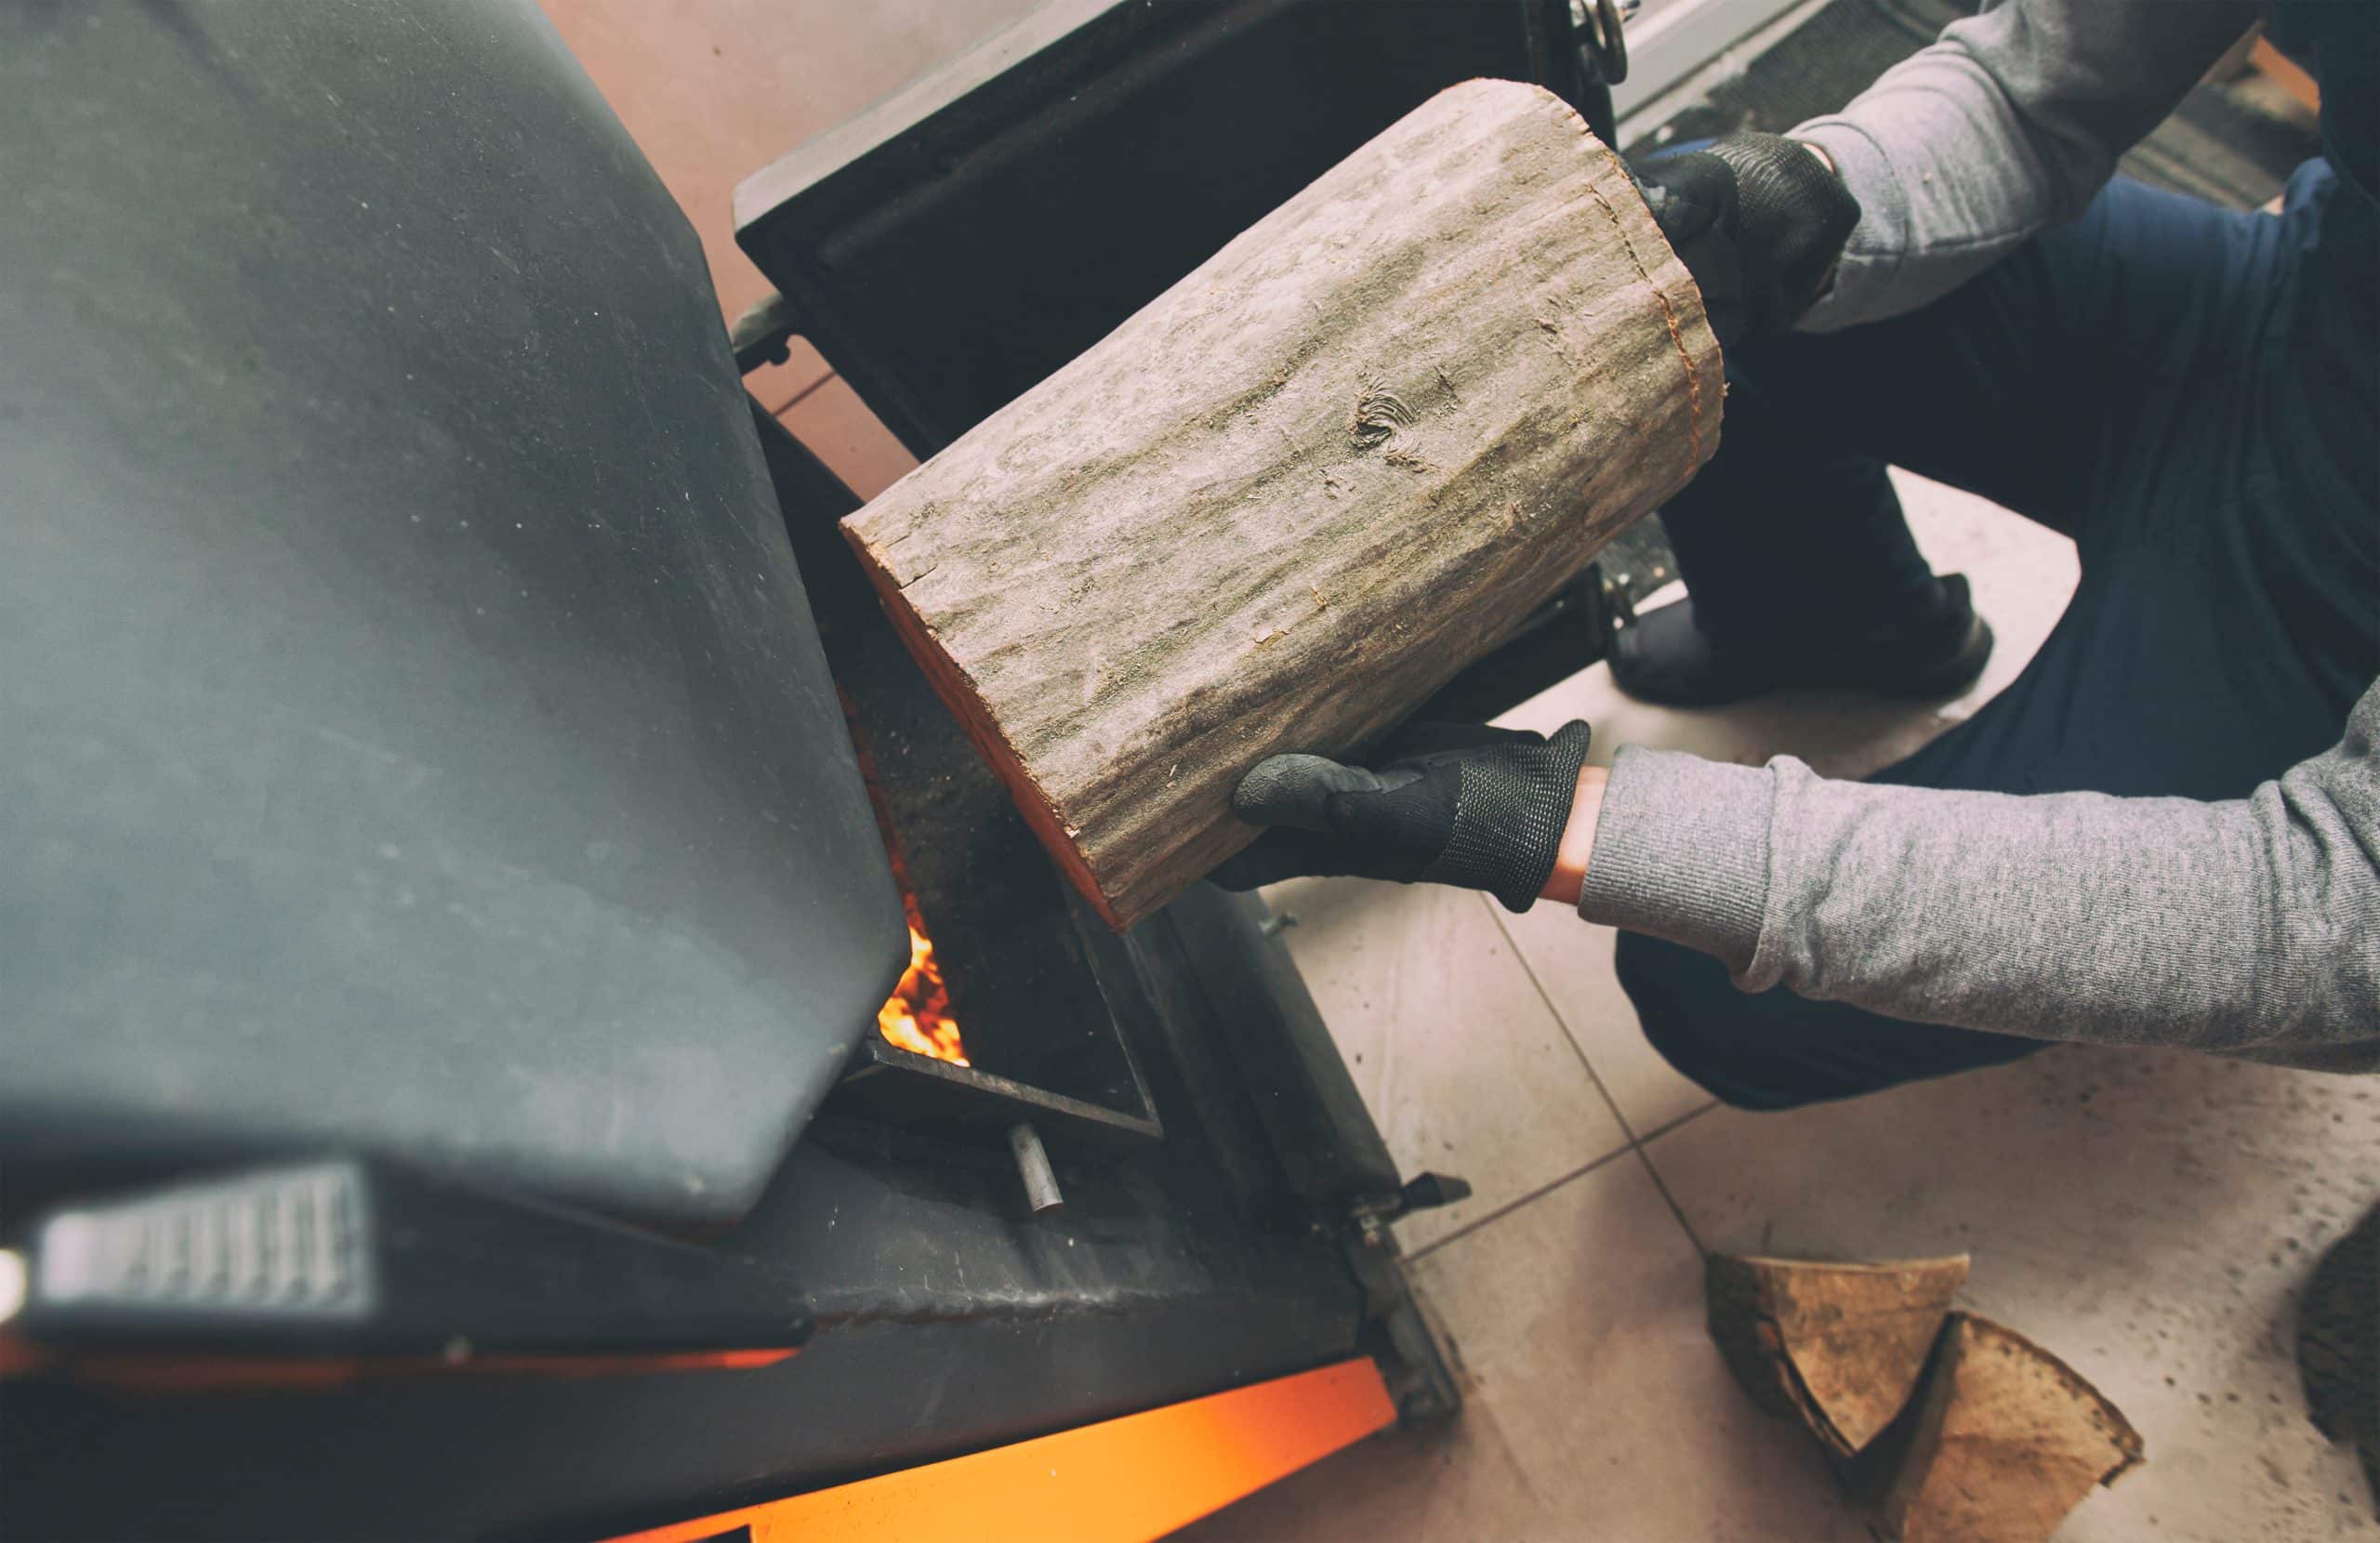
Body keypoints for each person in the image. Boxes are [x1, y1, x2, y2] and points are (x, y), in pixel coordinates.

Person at [1215, 0, 2378, 1109]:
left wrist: (1572, 829)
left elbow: (2328, 915)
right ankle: (1840, 621)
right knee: (1703, 305)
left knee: (1710, 975)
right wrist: (1819, 200)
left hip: (2329, 655)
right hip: (2296, 322)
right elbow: (2041, 86)